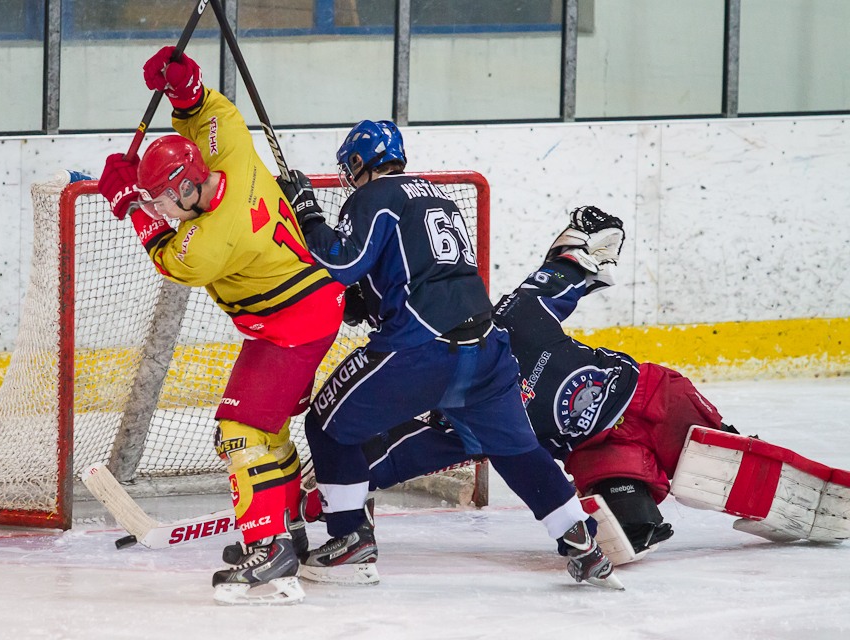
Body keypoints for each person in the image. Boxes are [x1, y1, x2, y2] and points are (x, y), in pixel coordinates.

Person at [341, 205, 850, 563]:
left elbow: (569, 264)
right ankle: (640, 511)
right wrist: (343, 479)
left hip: (648, 396)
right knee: (628, 532)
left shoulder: (515, 315)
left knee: (720, 456)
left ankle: (754, 464)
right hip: (598, 452)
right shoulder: (461, 405)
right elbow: (403, 452)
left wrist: (587, 234)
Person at [278, 120, 623, 590]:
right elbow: (418, 273)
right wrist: (367, 301)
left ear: (359, 162)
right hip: (487, 351)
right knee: (516, 449)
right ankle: (580, 541)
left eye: (350, 166)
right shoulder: (439, 197)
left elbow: (342, 261)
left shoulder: (375, 195)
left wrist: (306, 213)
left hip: (421, 350)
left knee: (326, 422)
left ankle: (349, 540)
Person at [97, 47, 345, 605]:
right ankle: (287, 531)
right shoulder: (232, 152)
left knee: (239, 431)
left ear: (186, 188)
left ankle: (268, 547)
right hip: (300, 312)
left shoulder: (211, 240)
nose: (162, 210)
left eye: (164, 201)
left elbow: (169, 258)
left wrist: (129, 204)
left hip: (294, 322)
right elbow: (211, 112)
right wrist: (183, 88)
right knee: (265, 430)